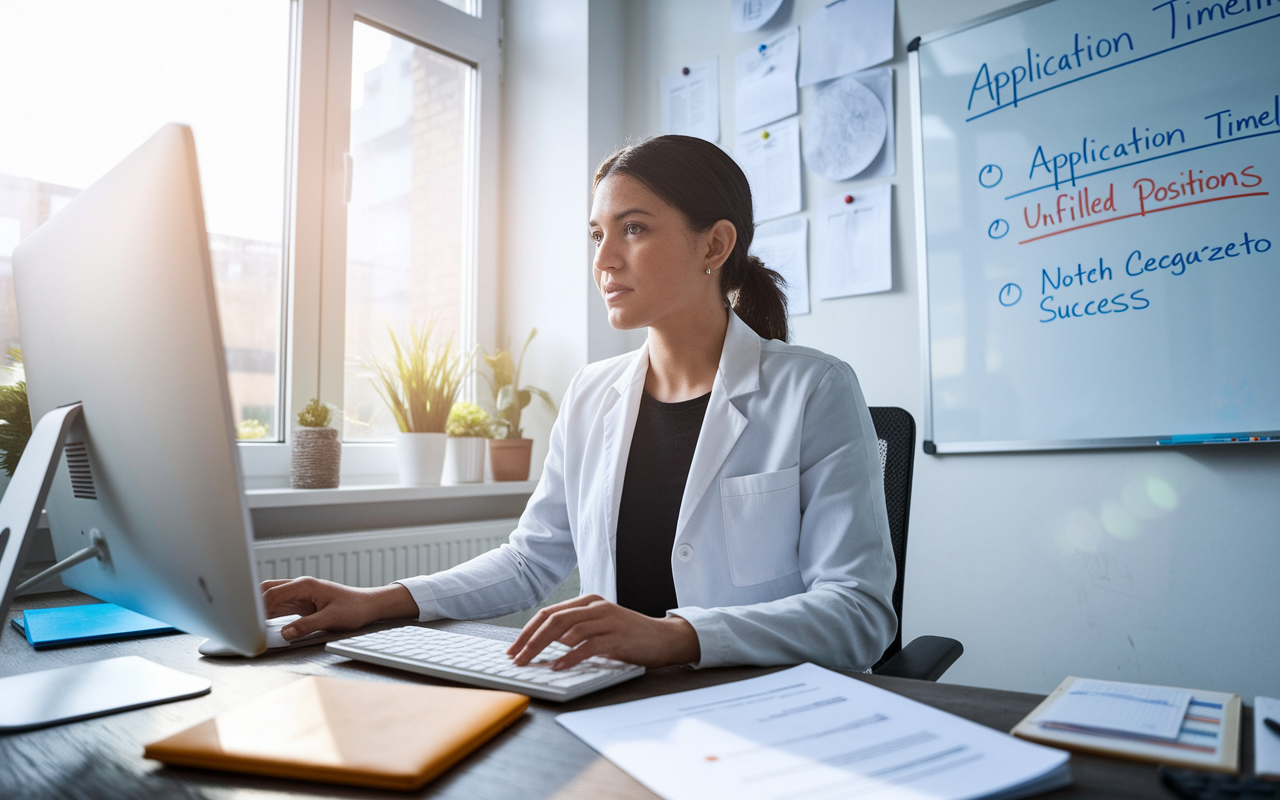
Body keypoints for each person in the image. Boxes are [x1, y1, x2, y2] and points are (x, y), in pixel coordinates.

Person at [261, 135, 897, 672]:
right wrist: (379, 600)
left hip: (764, 710)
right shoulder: (594, 392)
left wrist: (678, 636)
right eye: (596, 234)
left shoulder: (814, 389)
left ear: (713, 246)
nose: (604, 260)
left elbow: (859, 611)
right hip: (618, 699)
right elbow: (531, 559)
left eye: (634, 229)